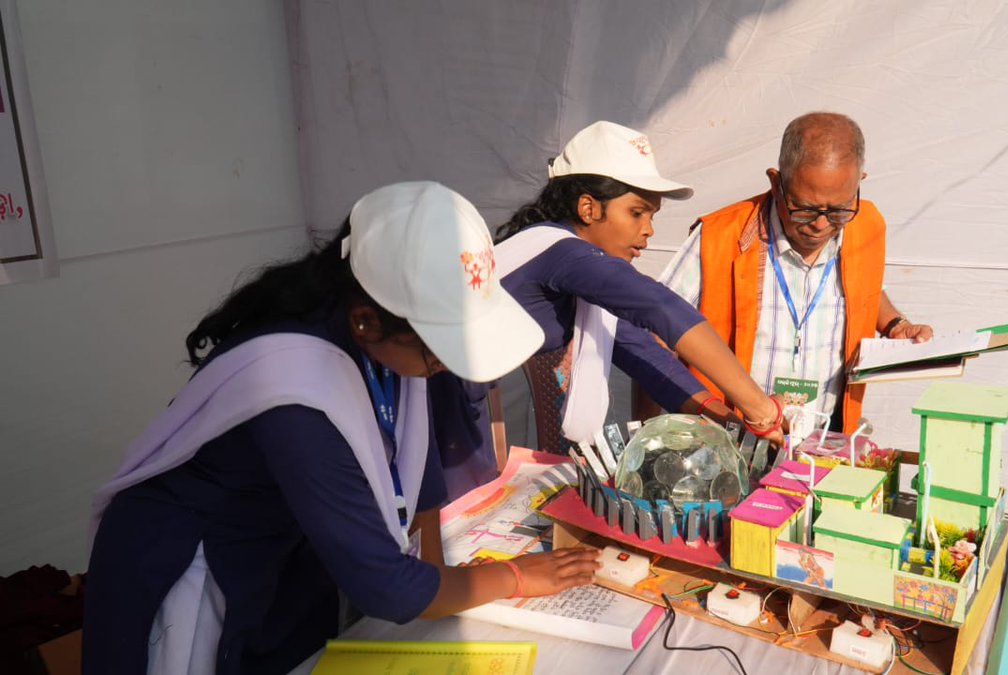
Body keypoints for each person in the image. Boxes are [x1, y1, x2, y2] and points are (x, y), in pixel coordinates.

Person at [83, 182, 600, 674]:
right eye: (442, 347)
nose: (450, 364)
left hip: (286, 547)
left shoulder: (388, 339)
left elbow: (419, 486)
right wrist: (513, 578)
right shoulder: (292, 387)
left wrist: (442, 602)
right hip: (198, 564)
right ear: (365, 322)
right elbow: (386, 588)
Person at [484, 120, 785, 455]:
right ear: (588, 208)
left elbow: (647, 357)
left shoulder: (580, 278)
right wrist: (761, 410)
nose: (649, 230)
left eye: (652, 216)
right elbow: (658, 307)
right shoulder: (564, 253)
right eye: (637, 212)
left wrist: (730, 426)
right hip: (444, 405)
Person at [654, 112, 933, 433]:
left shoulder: (868, 226)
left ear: (859, 183)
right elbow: (653, 334)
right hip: (727, 439)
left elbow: (867, 290)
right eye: (805, 208)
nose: (821, 224)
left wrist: (895, 324)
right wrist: (651, 435)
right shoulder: (718, 237)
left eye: (839, 209)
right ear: (776, 183)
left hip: (825, 436)